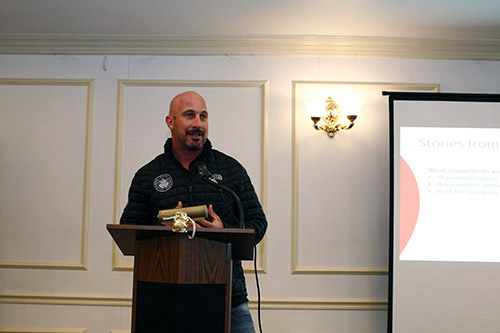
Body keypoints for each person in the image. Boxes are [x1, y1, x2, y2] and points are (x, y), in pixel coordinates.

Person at [120, 91, 268, 333]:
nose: (198, 124)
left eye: (203, 116)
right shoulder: (147, 175)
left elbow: (258, 222)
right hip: (162, 296)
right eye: (190, 115)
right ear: (171, 122)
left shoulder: (231, 169)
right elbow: (129, 229)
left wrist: (224, 233)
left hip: (228, 296)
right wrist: (165, 229)